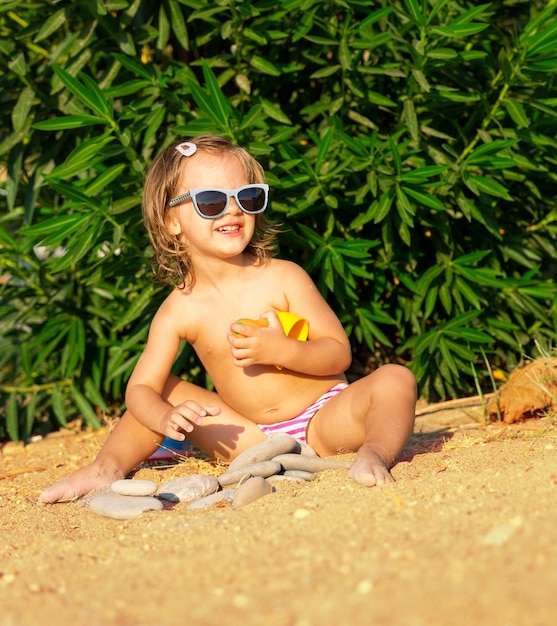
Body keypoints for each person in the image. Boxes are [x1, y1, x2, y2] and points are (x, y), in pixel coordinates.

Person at [38, 134, 417, 504]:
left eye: (247, 197)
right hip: (250, 437)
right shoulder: (179, 308)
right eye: (211, 200)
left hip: (326, 419)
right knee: (159, 392)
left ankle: (375, 451)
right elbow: (139, 389)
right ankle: (106, 467)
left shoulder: (282, 276)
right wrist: (166, 416)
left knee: (395, 378)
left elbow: (338, 354)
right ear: (172, 221)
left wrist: (283, 350)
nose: (233, 209)